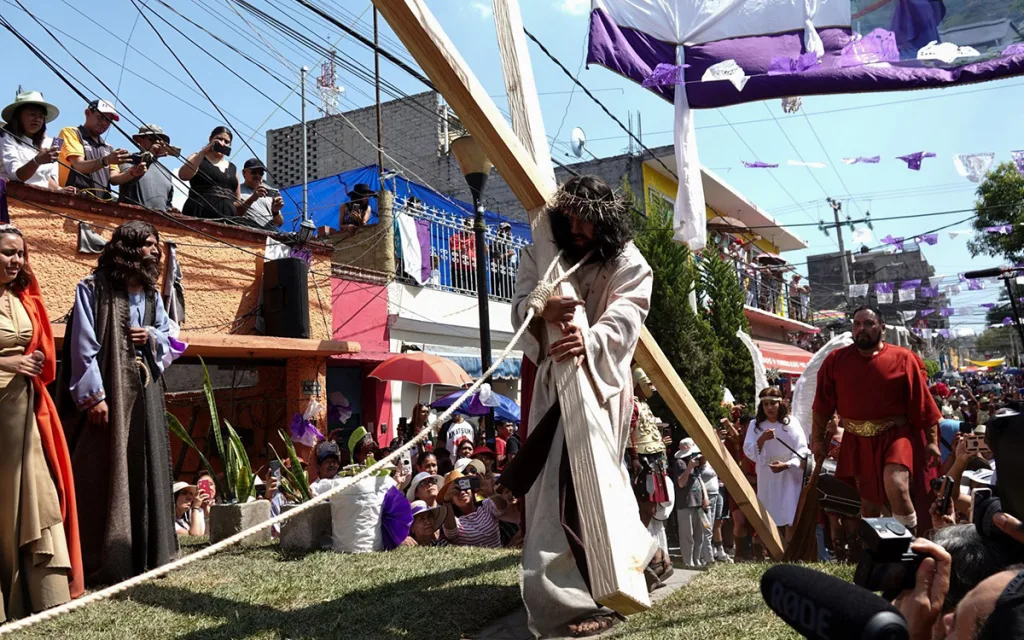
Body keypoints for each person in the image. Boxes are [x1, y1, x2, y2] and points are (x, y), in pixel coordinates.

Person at [502, 175, 654, 637]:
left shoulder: (629, 262)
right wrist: (540, 309)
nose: (577, 227)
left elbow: (628, 315)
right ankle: (644, 558)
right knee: (554, 489)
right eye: (568, 218)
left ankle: (593, 593)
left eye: (586, 219)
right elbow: (521, 300)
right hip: (552, 380)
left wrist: (589, 339)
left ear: (605, 220)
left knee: (588, 485)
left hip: (599, 383)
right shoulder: (544, 250)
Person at [56, 220, 180, 585]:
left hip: (146, 393)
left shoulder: (154, 295)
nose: (155, 250)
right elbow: (82, 345)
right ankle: (105, 556)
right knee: (105, 469)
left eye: (156, 244)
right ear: (127, 247)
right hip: (109, 395)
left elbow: (171, 339)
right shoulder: (93, 289)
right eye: (147, 244)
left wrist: (152, 336)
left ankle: (148, 554)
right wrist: (94, 395)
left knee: (147, 465)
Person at [0, 224, 84, 619]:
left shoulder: (26, 299)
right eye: (6, 252)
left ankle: (43, 594)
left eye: (19, 253)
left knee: (39, 493)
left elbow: (45, 355)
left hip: (25, 410)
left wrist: (32, 363)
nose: (15, 261)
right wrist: (6, 361)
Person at [812, 306, 941, 534]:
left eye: (869, 324)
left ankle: (909, 545)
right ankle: (877, 554)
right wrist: (818, 440)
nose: (862, 329)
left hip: (895, 435)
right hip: (856, 439)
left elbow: (922, 404)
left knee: (897, 485)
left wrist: (932, 441)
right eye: (857, 324)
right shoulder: (835, 361)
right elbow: (822, 405)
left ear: (882, 327)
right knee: (869, 504)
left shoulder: (903, 358)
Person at [743, 386, 809, 542]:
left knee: (789, 513)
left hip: (789, 474)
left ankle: (789, 551)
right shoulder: (755, 424)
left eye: (773, 403)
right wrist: (763, 439)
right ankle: (773, 551)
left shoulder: (791, 422)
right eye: (766, 404)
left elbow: (802, 450)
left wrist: (787, 465)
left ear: (780, 404)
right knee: (768, 513)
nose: (769, 408)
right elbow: (748, 449)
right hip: (767, 474)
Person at [58, 100, 142, 199]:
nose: (104, 123)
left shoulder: (108, 147)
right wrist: (106, 160)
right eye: (101, 117)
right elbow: (78, 165)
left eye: (109, 120)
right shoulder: (71, 132)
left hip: (101, 204)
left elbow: (113, 178)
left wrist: (131, 173)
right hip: (74, 198)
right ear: (87, 113)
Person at [0, 90, 61, 190]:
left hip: (40, 199)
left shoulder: (45, 143)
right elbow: (16, 176)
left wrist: (59, 189)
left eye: (41, 116)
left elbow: (42, 176)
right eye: (32, 114)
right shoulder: (6, 137)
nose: (37, 119)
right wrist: (37, 161)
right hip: (11, 198)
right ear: (18, 116)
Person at [439, 471, 516, 548]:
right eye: (456, 491)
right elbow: (451, 533)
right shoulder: (454, 520)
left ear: (471, 490)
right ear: (451, 500)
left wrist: (491, 493)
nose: (462, 492)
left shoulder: (486, 505)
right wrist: (446, 502)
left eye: (464, 486)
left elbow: (503, 507)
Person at [178, 126, 239, 221]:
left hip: (227, 218)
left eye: (226, 142)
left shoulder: (232, 168)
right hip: (199, 212)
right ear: (211, 139)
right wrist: (203, 152)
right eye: (219, 139)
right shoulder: (197, 157)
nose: (222, 143)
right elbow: (183, 175)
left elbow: (237, 200)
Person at [117, 124, 176, 212]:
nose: (158, 143)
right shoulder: (129, 160)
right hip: (132, 220)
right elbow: (128, 180)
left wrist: (171, 210)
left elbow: (167, 203)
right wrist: (149, 157)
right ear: (139, 140)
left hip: (158, 222)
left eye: (162, 140)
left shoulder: (166, 172)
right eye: (152, 139)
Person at [675, 438, 708, 569]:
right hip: (685, 503)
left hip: (698, 503)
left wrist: (705, 496)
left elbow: (699, 479)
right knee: (687, 535)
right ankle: (688, 561)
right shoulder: (679, 463)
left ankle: (697, 559)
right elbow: (681, 483)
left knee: (700, 533)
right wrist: (689, 468)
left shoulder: (696, 463)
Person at [237, 158, 283, 230]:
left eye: (261, 173)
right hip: (249, 236)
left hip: (270, 237)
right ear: (244, 173)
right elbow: (235, 214)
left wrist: (275, 211)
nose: (257, 175)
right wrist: (252, 198)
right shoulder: (237, 191)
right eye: (254, 172)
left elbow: (279, 223)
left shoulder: (268, 193)